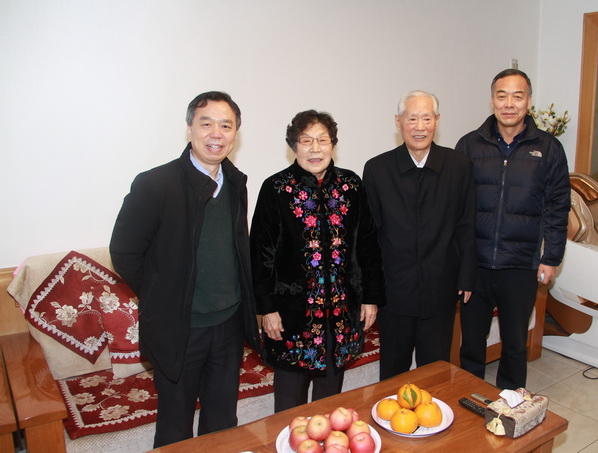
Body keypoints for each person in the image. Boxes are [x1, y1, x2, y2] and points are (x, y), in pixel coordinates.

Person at [109, 91, 261, 447]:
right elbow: (124, 251)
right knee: (175, 427)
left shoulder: (235, 182)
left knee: (222, 422)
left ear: (235, 133)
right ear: (190, 128)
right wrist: (164, 292)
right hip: (179, 328)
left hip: (228, 326)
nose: (216, 133)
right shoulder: (155, 184)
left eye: (226, 126)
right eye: (206, 124)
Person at [250, 110, 386, 412]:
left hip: (341, 313)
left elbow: (367, 245)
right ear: (293, 146)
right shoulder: (276, 188)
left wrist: (371, 297)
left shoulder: (351, 185)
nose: (315, 148)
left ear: (333, 144)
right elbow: (260, 255)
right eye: (306, 140)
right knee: (290, 408)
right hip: (291, 316)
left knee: (330, 406)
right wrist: (267, 309)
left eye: (322, 140)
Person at [455, 69, 571, 390]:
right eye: (502, 96)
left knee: (515, 343)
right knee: (471, 343)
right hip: (475, 264)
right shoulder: (469, 144)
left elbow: (558, 207)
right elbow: (454, 205)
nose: (509, 104)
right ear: (492, 100)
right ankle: (470, 399)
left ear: (529, 101)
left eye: (517, 96)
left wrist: (551, 258)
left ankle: (510, 404)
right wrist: (456, 259)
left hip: (521, 264)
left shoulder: (549, 148)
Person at [362, 90, 477, 381]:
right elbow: (369, 237)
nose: (419, 126)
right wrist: (370, 291)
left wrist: (466, 276)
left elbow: (466, 225)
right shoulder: (377, 169)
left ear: (437, 121)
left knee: (435, 372)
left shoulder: (459, 166)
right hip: (394, 291)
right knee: (393, 373)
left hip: (441, 287)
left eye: (426, 118)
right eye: (412, 118)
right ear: (398, 122)